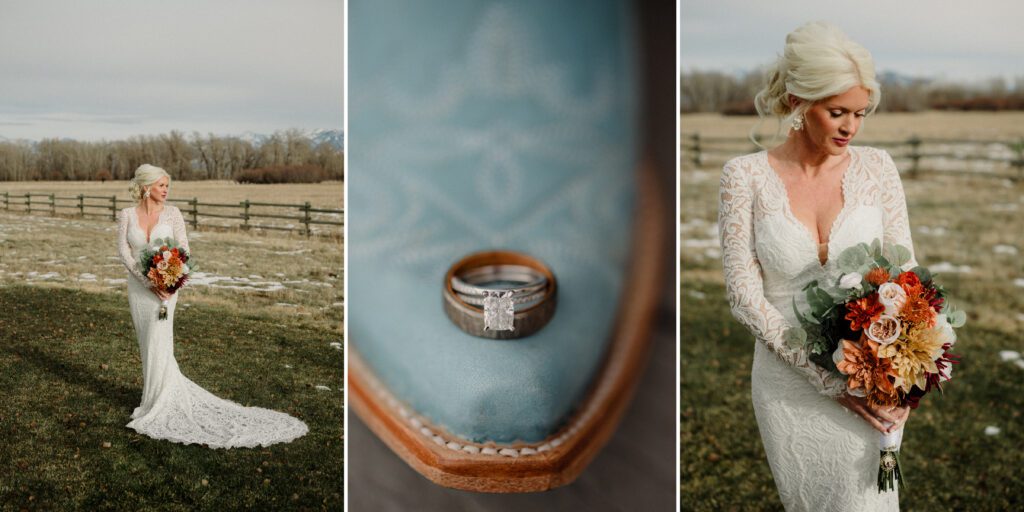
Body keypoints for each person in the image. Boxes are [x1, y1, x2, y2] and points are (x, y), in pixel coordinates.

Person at [718, 22, 914, 510]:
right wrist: (827, 379)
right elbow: (744, 296)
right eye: (837, 112)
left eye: (860, 113)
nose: (850, 126)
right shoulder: (744, 177)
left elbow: (905, 273)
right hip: (788, 381)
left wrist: (901, 377)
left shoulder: (878, 168)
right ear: (797, 104)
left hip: (872, 376)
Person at [116, 163, 308, 448]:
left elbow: (184, 250)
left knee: (160, 339)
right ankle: (151, 398)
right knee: (146, 342)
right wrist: (146, 282)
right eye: (161, 186)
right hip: (140, 289)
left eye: (168, 186)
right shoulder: (126, 215)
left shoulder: (173, 214)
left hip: (167, 289)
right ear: (146, 187)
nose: (166, 191)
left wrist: (168, 281)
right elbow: (124, 251)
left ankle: (161, 403)